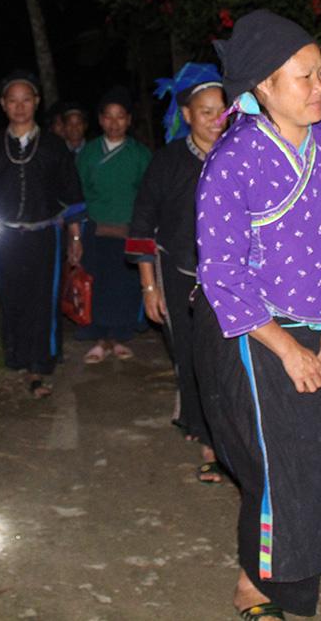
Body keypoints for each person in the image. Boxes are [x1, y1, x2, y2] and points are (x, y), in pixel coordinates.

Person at [194, 10, 321, 620]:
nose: (320, 87)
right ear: (264, 86)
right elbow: (222, 270)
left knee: (317, 465)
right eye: (305, 77)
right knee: (278, 467)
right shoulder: (235, 159)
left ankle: (291, 590)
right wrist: (286, 348)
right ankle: (259, 587)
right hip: (261, 334)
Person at [126, 67, 227, 484]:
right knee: (189, 355)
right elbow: (143, 224)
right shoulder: (167, 161)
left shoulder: (239, 154)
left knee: (225, 360)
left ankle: (214, 425)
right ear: (187, 114)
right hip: (178, 272)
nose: (215, 119)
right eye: (205, 111)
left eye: (222, 110)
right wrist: (149, 285)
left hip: (228, 278)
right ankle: (208, 438)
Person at [0, 71, 84, 398]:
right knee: (10, 295)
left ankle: (39, 365)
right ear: (4, 105)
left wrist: (75, 237)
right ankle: (16, 354)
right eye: (13, 100)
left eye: (26, 100)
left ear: (35, 102)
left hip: (44, 235)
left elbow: (71, 191)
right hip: (4, 237)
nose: (20, 107)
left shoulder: (53, 146)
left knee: (42, 301)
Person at [76, 87, 152, 363]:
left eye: (120, 117)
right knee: (96, 285)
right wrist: (76, 236)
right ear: (100, 120)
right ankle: (99, 339)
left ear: (129, 120)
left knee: (125, 286)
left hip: (128, 231)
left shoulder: (140, 154)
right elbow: (78, 193)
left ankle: (119, 338)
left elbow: (148, 196)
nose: (114, 123)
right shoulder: (88, 154)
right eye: (108, 117)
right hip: (95, 230)